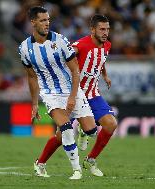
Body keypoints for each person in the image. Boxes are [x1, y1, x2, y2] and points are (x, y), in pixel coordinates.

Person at [34, 14, 118, 177]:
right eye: (102, 29)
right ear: (92, 30)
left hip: (93, 94)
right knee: (61, 137)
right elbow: (64, 57)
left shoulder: (106, 45)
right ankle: (40, 163)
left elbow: (100, 60)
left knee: (111, 124)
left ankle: (90, 159)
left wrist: (105, 75)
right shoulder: (80, 45)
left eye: (107, 29)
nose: (105, 32)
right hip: (74, 95)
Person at [19, 6, 97, 179]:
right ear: (33, 22)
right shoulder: (24, 48)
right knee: (67, 130)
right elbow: (31, 77)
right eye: (42, 20)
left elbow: (75, 70)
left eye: (48, 19)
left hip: (72, 90)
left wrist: (72, 97)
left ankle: (40, 162)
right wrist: (34, 104)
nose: (47, 23)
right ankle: (77, 170)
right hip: (50, 94)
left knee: (91, 130)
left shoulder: (61, 40)